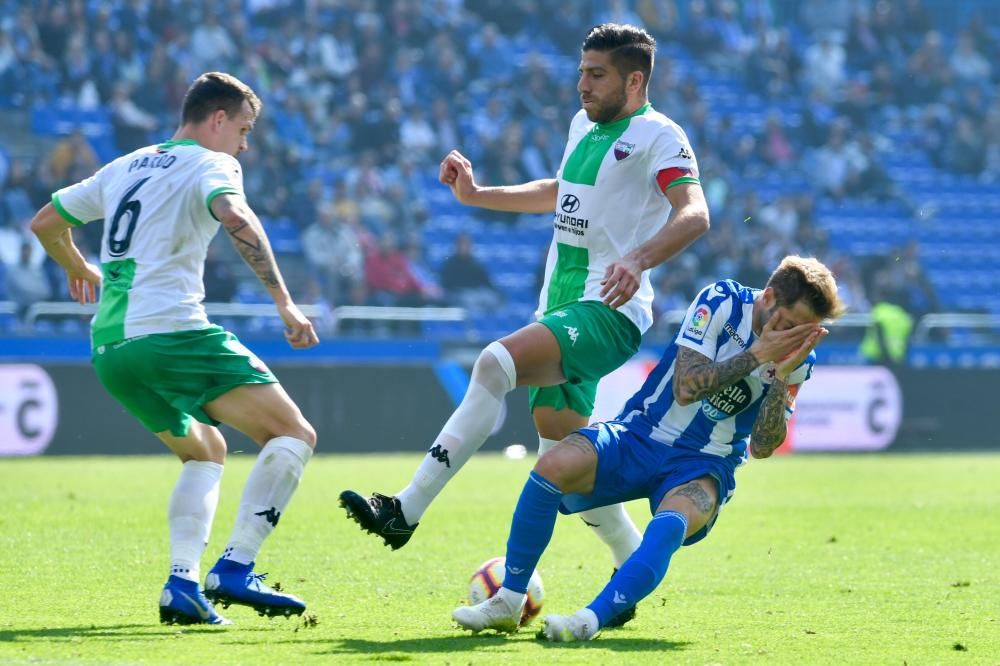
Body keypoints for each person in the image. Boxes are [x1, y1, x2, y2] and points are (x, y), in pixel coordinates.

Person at [340, 23, 710, 626]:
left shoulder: (659, 137)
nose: (582, 84)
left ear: (635, 79)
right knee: (567, 467)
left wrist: (639, 259)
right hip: (560, 305)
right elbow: (559, 191)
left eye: (597, 75)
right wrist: (479, 194)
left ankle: (404, 509)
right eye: (581, 71)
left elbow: (694, 213)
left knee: (494, 363)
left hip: (608, 312)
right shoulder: (581, 126)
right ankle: (610, 580)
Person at [30, 72, 320, 626]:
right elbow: (235, 216)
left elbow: (46, 222)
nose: (245, 143)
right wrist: (284, 301)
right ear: (217, 119)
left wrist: (80, 268)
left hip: (112, 349)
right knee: (293, 434)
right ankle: (237, 567)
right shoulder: (213, 164)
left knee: (206, 452)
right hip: (172, 333)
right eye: (243, 128)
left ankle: (182, 586)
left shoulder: (126, 165)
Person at [452, 256, 846, 640]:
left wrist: (781, 376)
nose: (795, 338)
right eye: (792, 325)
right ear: (768, 297)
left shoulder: (799, 358)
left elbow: (762, 447)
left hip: (705, 464)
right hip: (640, 433)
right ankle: (507, 601)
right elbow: (686, 387)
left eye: (805, 332)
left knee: (674, 521)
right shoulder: (722, 300)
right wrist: (758, 355)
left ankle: (589, 620)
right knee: (552, 466)